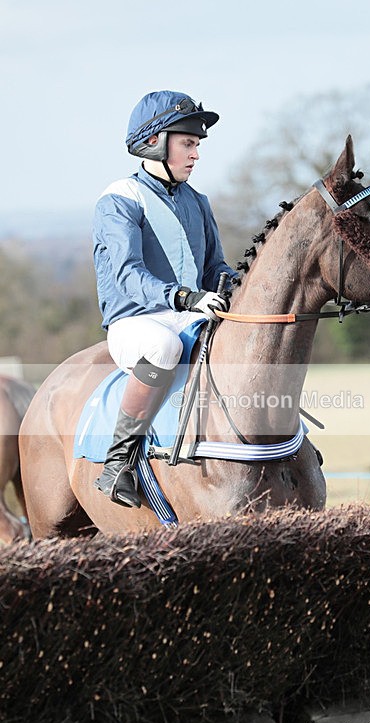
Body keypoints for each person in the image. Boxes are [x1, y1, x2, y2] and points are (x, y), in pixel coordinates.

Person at [92, 90, 234, 508]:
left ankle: (285, 443)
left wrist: (239, 287)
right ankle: (118, 461)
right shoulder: (120, 198)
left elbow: (215, 268)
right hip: (138, 322)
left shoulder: (197, 201)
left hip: (189, 312)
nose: (195, 155)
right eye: (188, 144)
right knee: (163, 345)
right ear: (155, 141)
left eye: (196, 146)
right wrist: (184, 297)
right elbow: (127, 274)